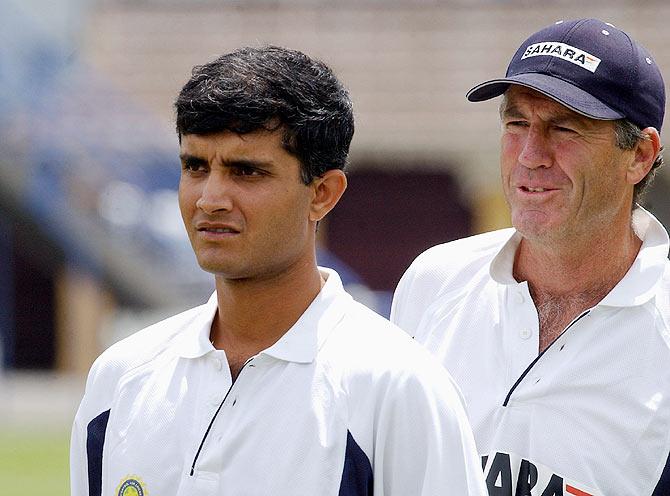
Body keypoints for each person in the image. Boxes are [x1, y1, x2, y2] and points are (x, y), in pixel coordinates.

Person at [70, 46, 486, 496]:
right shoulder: (121, 377)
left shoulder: (396, 387)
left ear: (323, 193)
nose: (210, 199)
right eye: (195, 166)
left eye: (246, 171)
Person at [392, 18, 670, 496]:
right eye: (516, 123)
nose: (530, 154)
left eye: (564, 128)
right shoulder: (434, 280)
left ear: (640, 155)